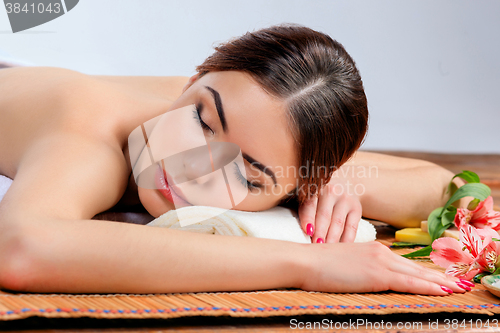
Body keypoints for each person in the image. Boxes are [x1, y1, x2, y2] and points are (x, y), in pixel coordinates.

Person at [0, 24, 468, 295]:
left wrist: (331, 184)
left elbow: (448, 190)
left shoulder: (256, 125)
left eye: (247, 174)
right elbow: (22, 249)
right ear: (193, 79)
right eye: (204, 123)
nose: (193, 165)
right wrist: (306, 266)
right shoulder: (87, 139)